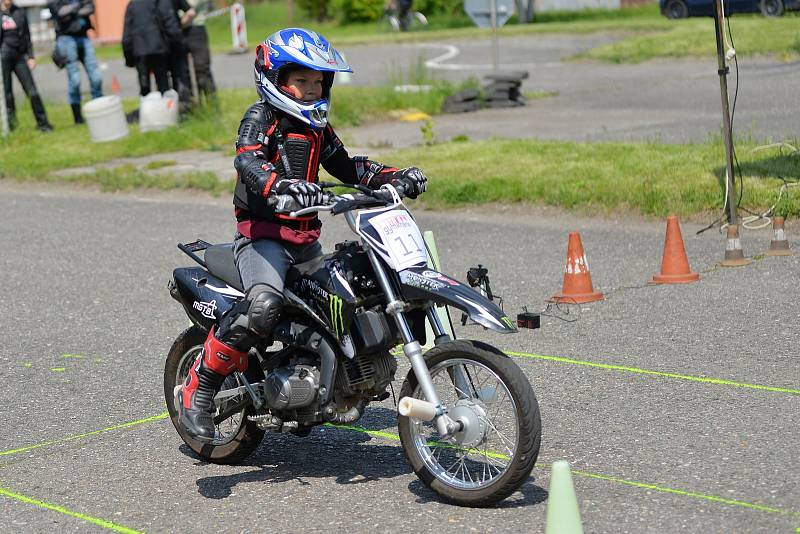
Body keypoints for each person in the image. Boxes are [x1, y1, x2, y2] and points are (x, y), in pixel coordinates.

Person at [176, 28, 428, 442]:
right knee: (262, 305)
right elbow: (249, 163)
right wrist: (279, 186)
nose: (312, 90)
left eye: (319, 82)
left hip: (306, 244)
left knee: (354, 297)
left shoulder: (317, 129)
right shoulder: (262, 119)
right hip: (262, 241)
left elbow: (350, 168)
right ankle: (198, 389)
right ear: (276, 80)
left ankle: (329, 379)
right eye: (302, 81)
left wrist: (396, 176)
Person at [47, 0, 102, 124]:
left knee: (96, 77)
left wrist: (71, 11)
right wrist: (78, 6)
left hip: (84, 36)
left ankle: (99, 110)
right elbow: (60, 12)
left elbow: (90, 7)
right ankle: (78, 117)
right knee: (75, 79)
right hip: (66, 38)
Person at [1, 0, 52, 131]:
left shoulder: (19, 11)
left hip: (19, 57)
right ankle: (12, 126)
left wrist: (31, 56)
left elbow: (27, 36)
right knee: (7, 94)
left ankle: (43, 123)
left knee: (32, 91)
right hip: (3, 57)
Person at [122, 0, 183, 97]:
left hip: (140, 51)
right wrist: (177, 45)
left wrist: (129, 58)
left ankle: (147, 107)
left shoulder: (132, 5)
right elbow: (169, 24)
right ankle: (165, 108)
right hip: (158, 48)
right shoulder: (159, 2)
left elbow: (127, 36)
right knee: (163, 85)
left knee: (145, 86)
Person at [180, 0, 216, 99]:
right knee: (182, 71)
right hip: (178, 30)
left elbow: (192, 7)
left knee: (202, 69)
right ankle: (188, 105)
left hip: (196, 28)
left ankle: (210, 102)